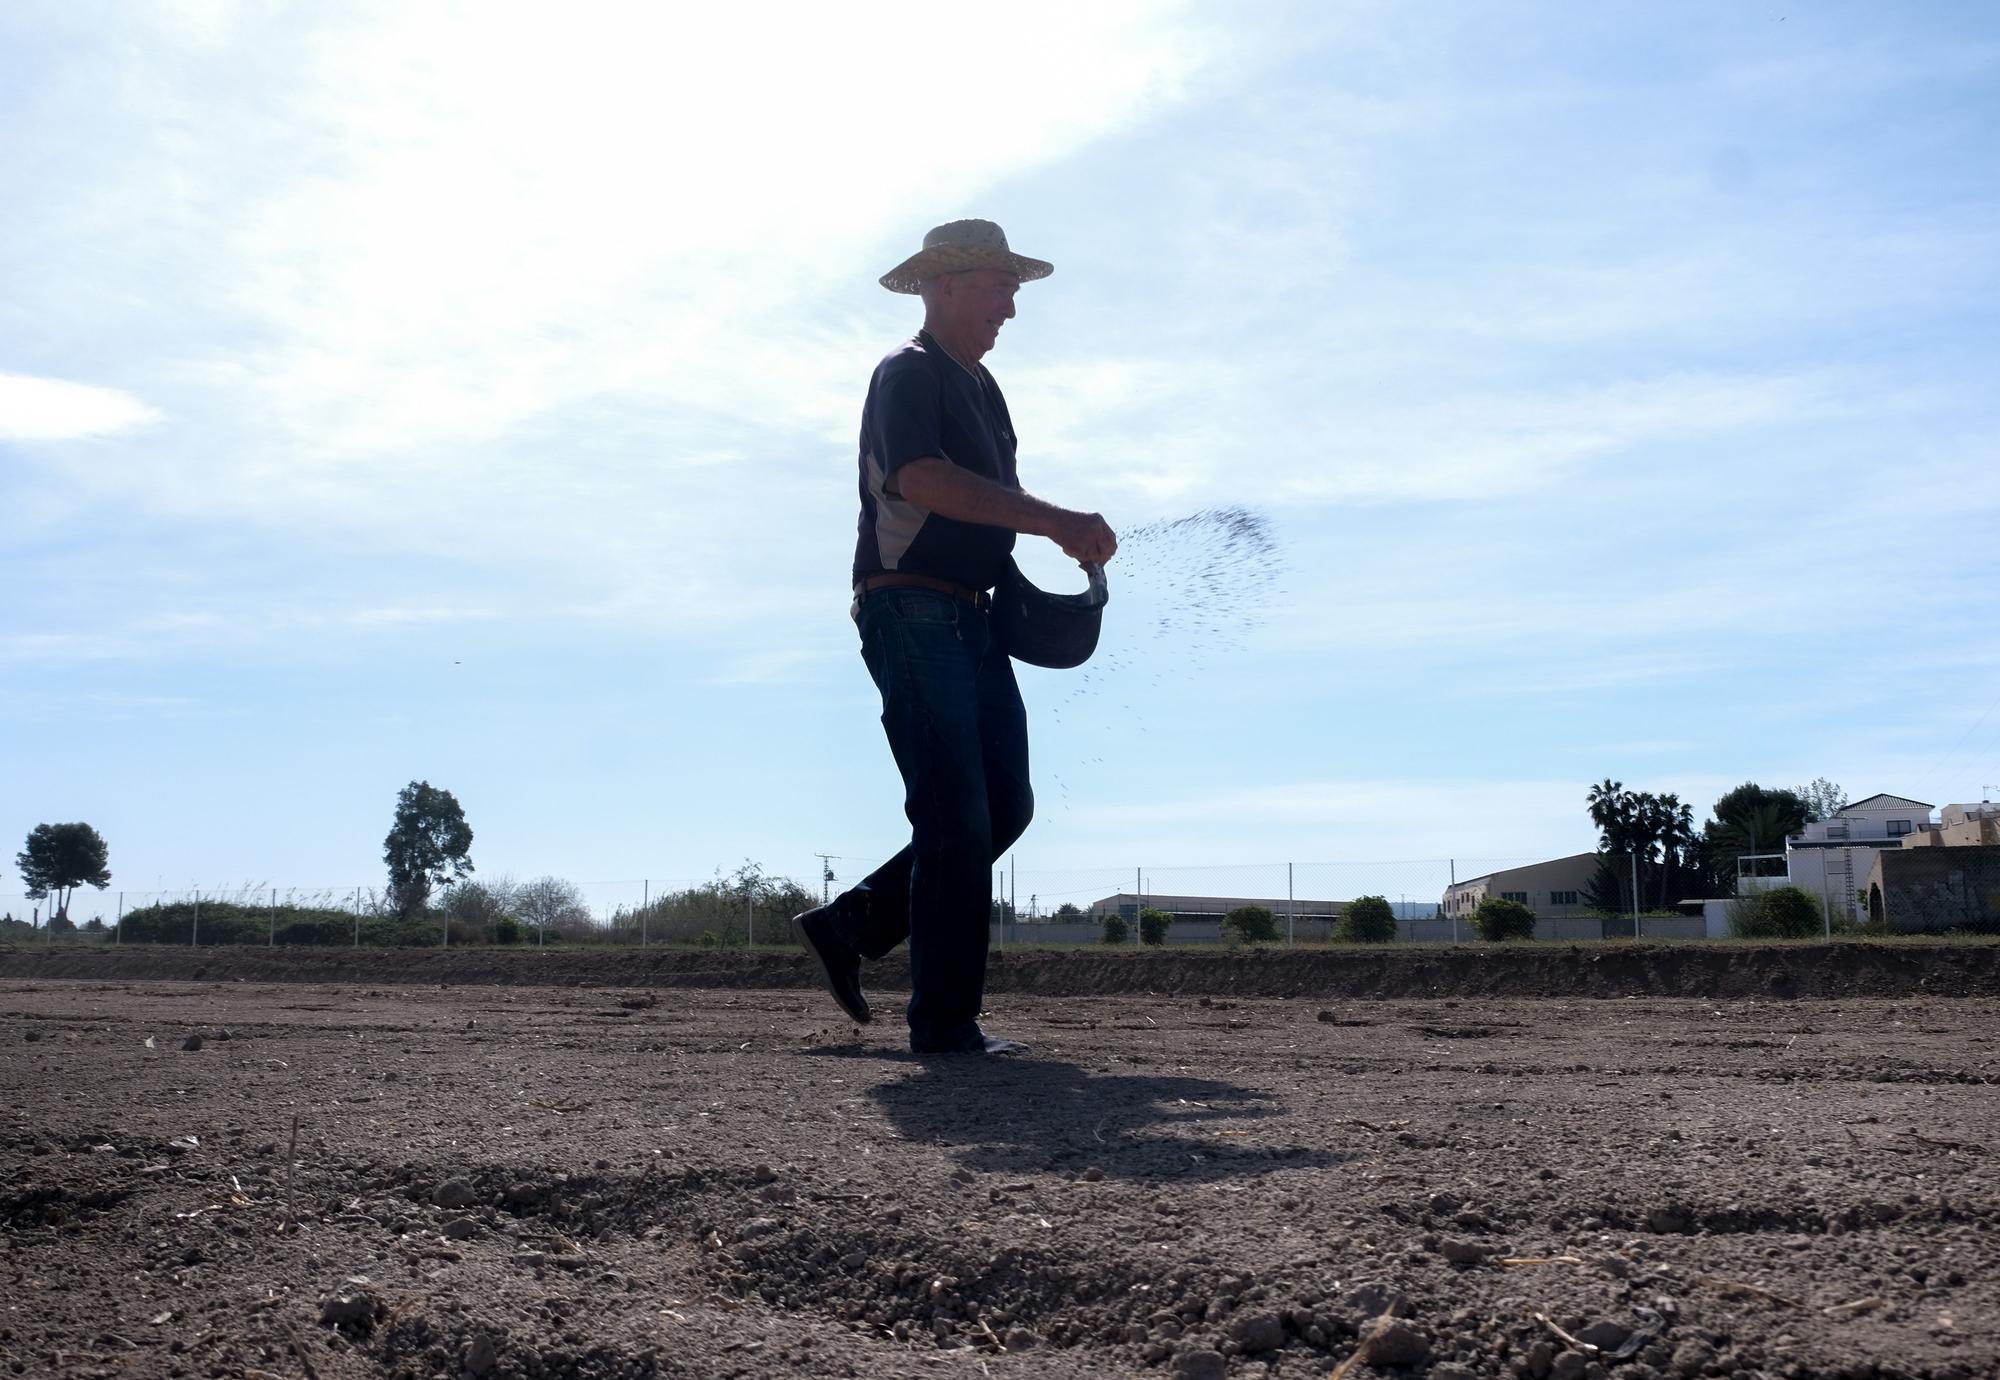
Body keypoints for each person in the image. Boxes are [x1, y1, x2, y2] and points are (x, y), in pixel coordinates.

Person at [796, 220, 1116, 1056]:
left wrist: (1031, 592)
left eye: (1013, 289)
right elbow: (924, 481)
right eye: (995, 286)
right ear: (941, 287)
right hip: (910, 609)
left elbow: (985, 512)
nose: (1010, 306)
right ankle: (943, 1026)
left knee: (1002, 806)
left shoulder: (987, 392)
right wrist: (1054, 521)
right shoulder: (906, 372)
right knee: (955, 815)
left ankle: (851, 924)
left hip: (971, 614)